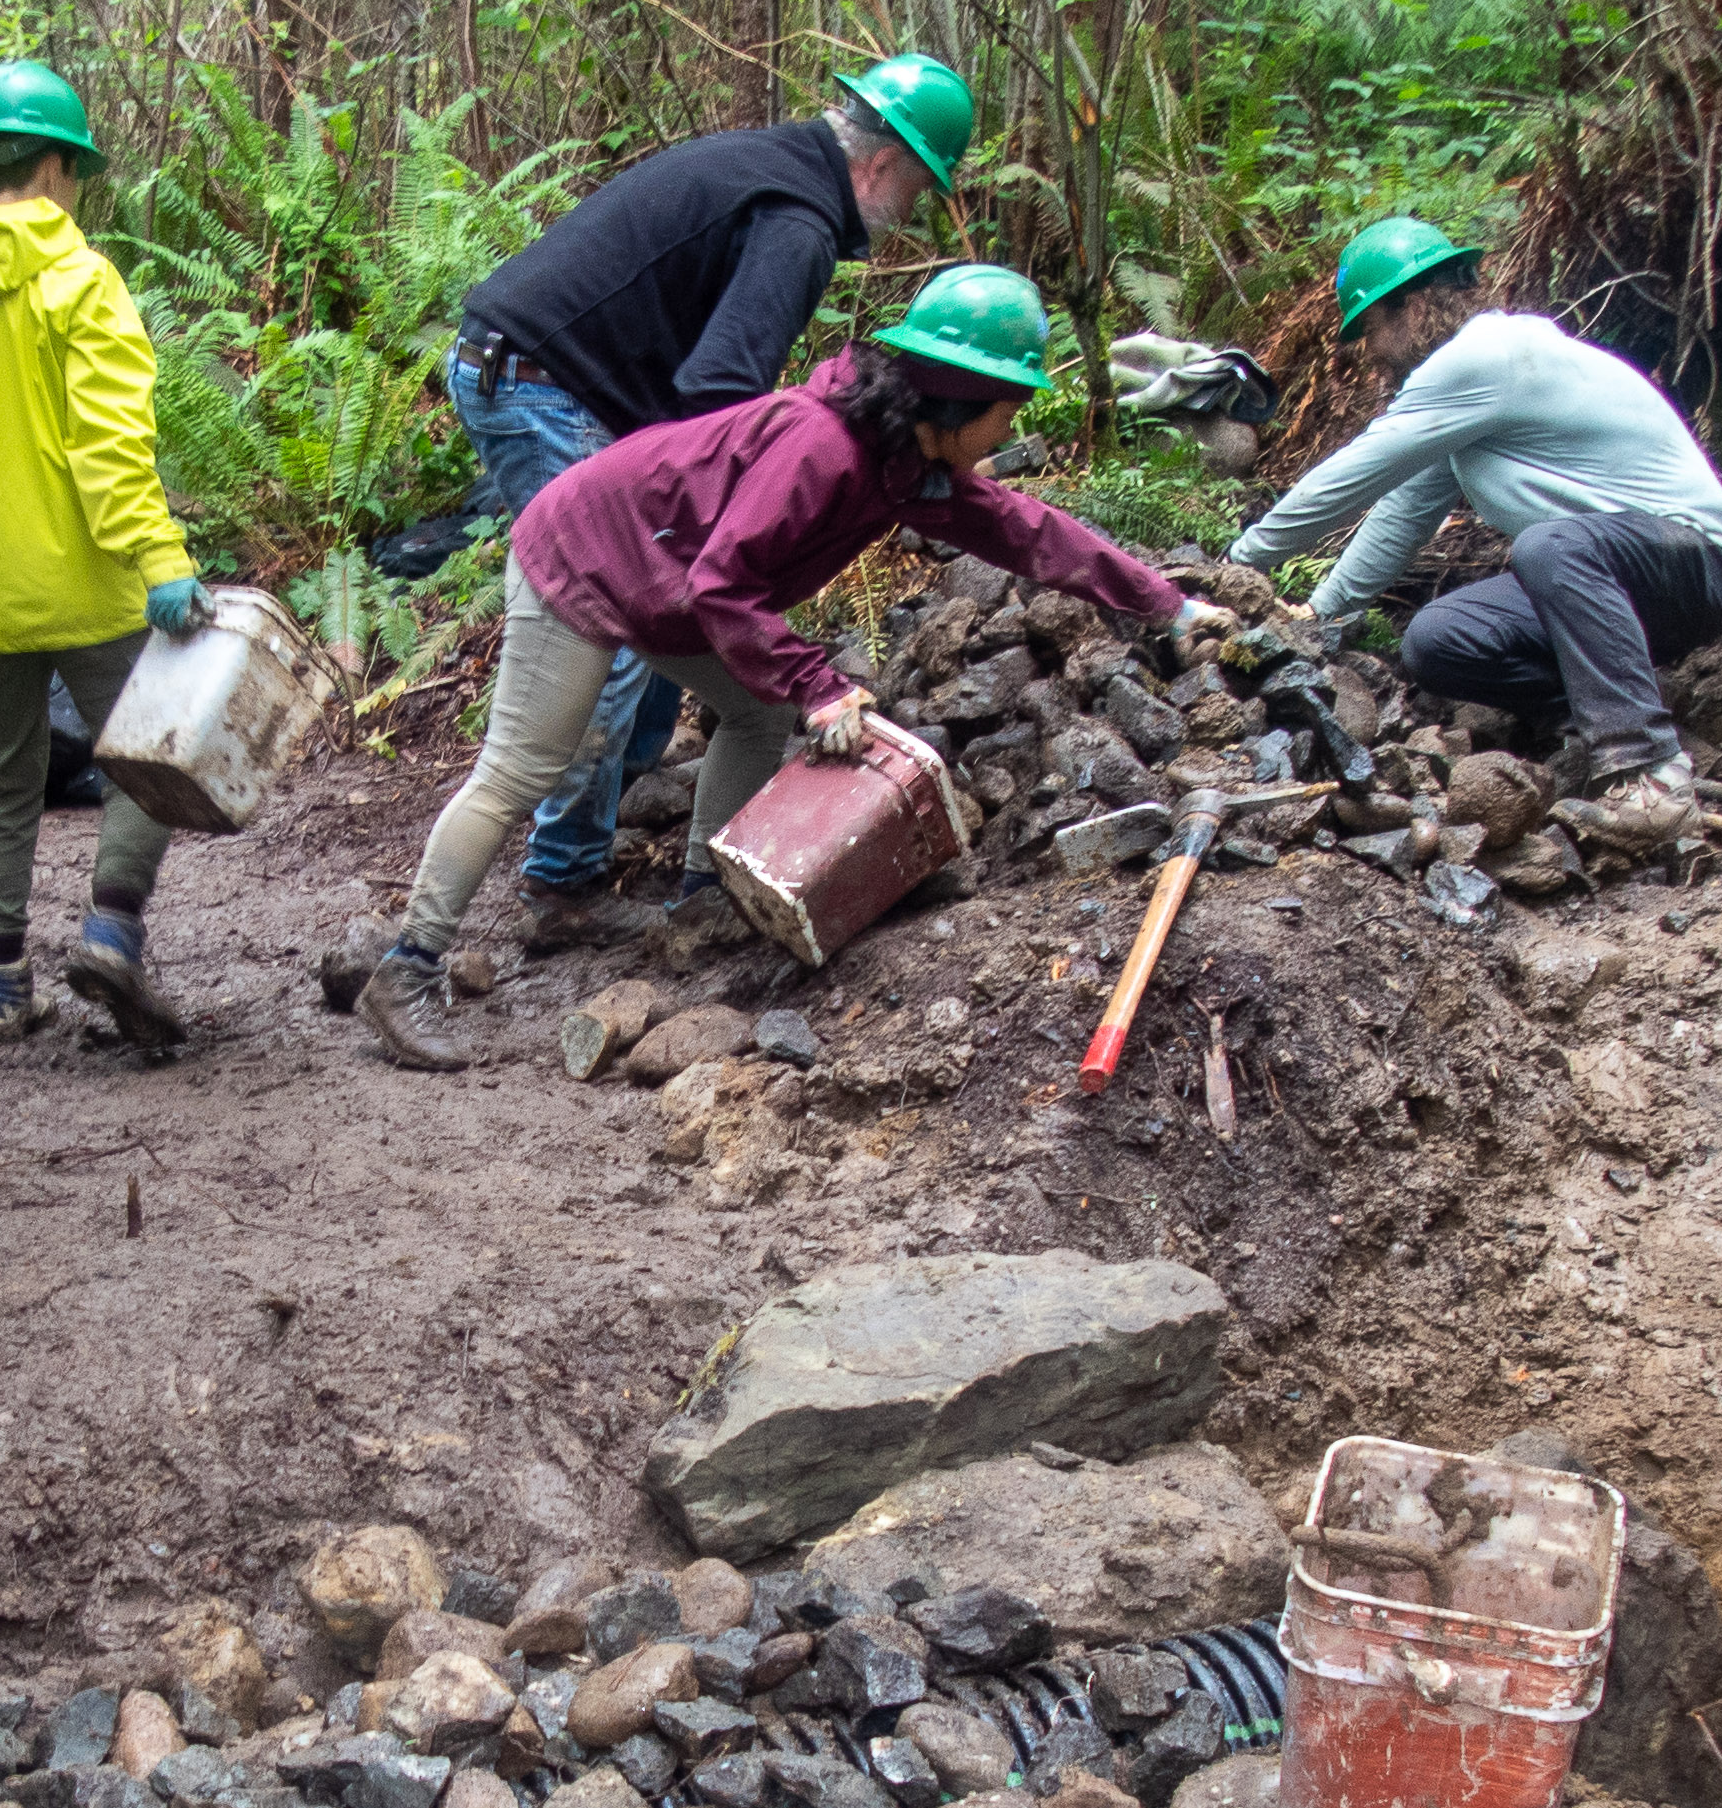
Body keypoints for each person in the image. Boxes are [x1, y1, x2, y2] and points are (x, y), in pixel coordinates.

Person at [358, 264, 1203, 1071]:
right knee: (523, 767)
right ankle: (407, 969)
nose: (1012, 431)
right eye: (1010, 410)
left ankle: (698, 906)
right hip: (588, 555)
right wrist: (820, 685)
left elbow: (1028, 531)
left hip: (673, 579)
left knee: (758, 717)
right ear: (964, 403)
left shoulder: (907, 459)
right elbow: (726, 581)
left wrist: (1169, 604)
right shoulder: (826, 446)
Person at [446, 53, 975, 945]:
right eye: (920, 190)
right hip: (542, 383)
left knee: (668, 600)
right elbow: (719, 390)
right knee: (606, 619)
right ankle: (562, 882)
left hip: (561, 376)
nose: (908, 214)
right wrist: (758, 519)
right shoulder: (800, 223)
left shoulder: (774, 167)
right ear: (886, 165)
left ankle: (623, 844)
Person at [0, 58, 210, 1051]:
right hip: (89, 590)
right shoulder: (80, 282)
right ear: (63, 165)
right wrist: (160, 562)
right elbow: (108, 451)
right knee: (156, 761)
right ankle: (109, 933)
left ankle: (0, 984)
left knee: (1, 784)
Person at [1227, 216, 1722, 853]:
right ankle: (1601, 717)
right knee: (1435, 641)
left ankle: (1652, 780)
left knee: (1549, 546)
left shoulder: (1483, 359)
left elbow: (1354, 477)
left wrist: (1238, 564)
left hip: (1697, 562)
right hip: (1624, 582)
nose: (1371, 353)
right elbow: (1402, 512)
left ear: (1413, 306)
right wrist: (1320, 613)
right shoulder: (1469, 400)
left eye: (1371, 329)